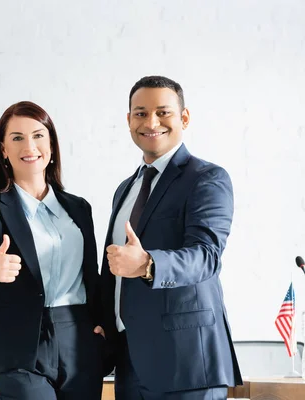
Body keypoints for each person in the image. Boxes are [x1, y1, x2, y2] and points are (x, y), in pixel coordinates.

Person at [0, 101, 111, 400]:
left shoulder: (79, 208)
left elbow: (92, 276)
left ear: (51, 144)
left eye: (39, 135)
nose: (30, 145)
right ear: (3, 149)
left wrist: (103, 326)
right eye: (17, 137)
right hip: (19, 342)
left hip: (79, 338)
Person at [101, 75, 243, 399]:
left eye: (163, 112)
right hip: (130, 361)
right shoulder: (125, 189)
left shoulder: (207, 178)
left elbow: (206, 255)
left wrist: (148, 264)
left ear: (184, 118)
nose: (151, 122)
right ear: (128, 120)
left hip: (187, 363)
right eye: (140, 113)